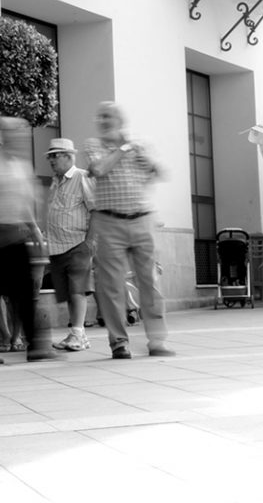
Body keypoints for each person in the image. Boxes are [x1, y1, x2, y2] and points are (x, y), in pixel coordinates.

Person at [84, 101, 174, 359]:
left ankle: (157, 340)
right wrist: (124, 148)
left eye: (107, 116)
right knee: (111, 286)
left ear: (120, 121)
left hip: (142, 219)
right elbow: (99, 169)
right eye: (99, 116)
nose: (101, 121)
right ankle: (119, 342)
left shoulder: (141, 144)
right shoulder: (93, 146)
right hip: (109, 222)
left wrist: (147, 160)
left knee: (150, 281)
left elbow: (160, 173)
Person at [0, 118, 54, 365]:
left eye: (23, 136)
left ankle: (36, 346)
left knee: (25, 295)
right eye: (16, 136)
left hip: (14, 237)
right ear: (6, 137)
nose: (21, 141)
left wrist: (34, 229)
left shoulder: (20, 166)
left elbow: (24, 201)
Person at [43, 138, 94, 352]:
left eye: (55, 155)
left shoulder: (81, 177)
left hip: (78, 243)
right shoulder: (55, 182)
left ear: (68, 156)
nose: (51, 160)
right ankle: (77, 334)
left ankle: (78, 333)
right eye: (50, 156)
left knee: (77, 291)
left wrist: (90, 241)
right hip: (57, 246)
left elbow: (95, 209)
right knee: (67, 294)